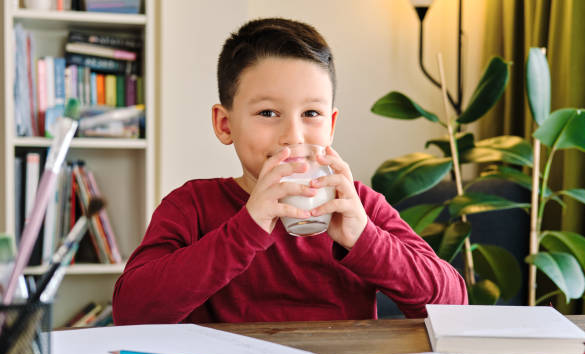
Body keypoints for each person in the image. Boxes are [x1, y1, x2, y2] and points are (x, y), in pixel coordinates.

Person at [112, 17, 467, 325]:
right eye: (268, 113)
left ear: (330, 125)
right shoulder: (191, 206)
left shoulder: (357, 204)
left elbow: (453, 306)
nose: (292, 137)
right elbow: (131, 312)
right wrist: (245, 230)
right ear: (224, 124)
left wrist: (366, 239)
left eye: (311, 114)